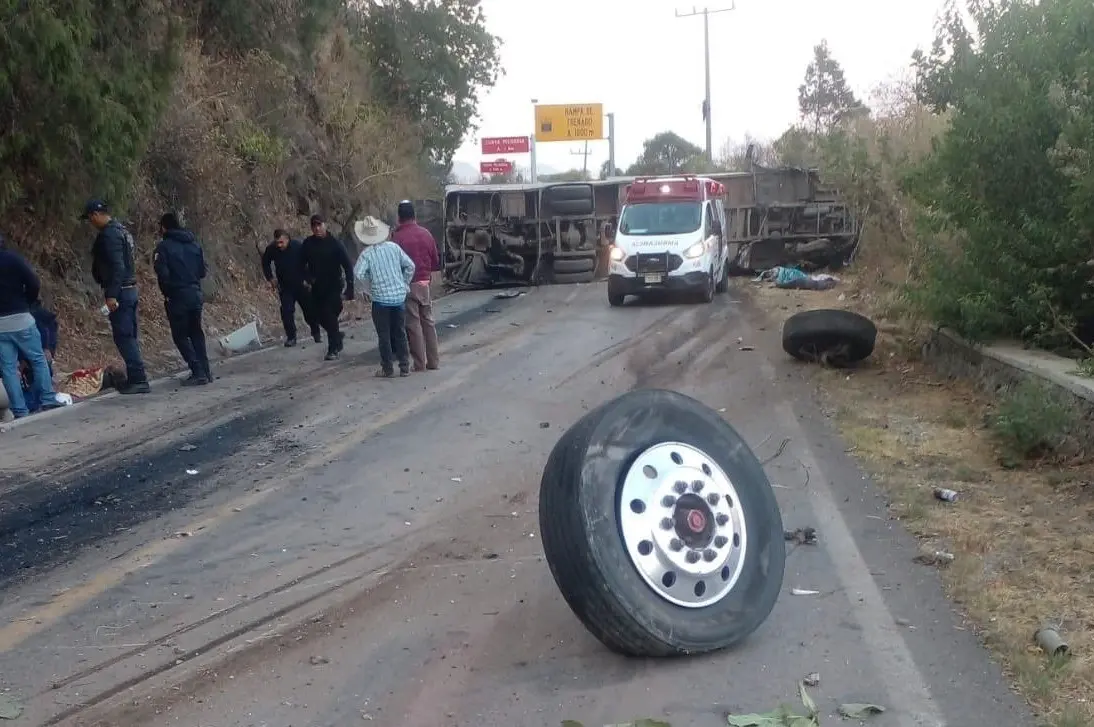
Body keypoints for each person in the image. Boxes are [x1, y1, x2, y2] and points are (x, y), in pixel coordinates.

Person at [85, 199, 150, 394]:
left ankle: (138, 379)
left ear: (95, 215)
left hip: (121, 291)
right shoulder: (122, 231)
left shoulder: (110, 235)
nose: (90, 223)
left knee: (124, 337)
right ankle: (137, 376)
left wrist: (112, 295)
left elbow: (117, 266)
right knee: (129, 335)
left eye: (90, 218)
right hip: (129, 289)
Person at [0, 236, 62, 418]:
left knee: (8, 368)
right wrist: (28, 301)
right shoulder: (13, 259)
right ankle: (48, 399)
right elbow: (33, 282)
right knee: (37, 358)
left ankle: (20, 410)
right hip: (20, 317)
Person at [352, 216, 414, 378]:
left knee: (384, 336)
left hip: (380, 301)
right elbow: (410, 266)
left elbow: (358, 273)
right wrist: (404, 283)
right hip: (398, 298)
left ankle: (387, 368)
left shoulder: (367, 254)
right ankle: (405, 366)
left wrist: (367, 289)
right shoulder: (394, 248)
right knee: (400, 332)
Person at [154, 213, 212, 386]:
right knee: (196, 333)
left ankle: (197, 371)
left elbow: (162, 274)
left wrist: (169, 291)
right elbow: (202, 271)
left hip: (177, 296)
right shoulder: (194, 244)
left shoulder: (163, 248)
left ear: (164, 227)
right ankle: (206, 370)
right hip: (195, 293)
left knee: (180, 336)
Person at [390, 200, 440, 372]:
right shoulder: (426, 234)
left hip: (408, 285)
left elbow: (394, 265)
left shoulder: (397, 238)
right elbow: (435, 262)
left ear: (399, 217)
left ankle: (419, 364)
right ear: (414, 215)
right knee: (428, 322)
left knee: (413, 324)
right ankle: (433, 362)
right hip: (425, 284)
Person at [301, 214, 354, 361]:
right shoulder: (308, 244)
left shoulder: (335, 243)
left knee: (329, 316)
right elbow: (300, 264)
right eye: (314, 226)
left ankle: (332, 349)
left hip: (334, 286)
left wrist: (350, 288)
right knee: (319, 318)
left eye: (319, 225)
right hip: (317, 288)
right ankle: (336, 336)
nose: (317, 228)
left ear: (325, 225)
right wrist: (307, 278)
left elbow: (348, 266)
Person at [262, 229, 320, 347]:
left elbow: (311, 262)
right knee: (287, 312)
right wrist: (270, 278)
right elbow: (265, 262)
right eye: (277, 242)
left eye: (281, 242)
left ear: (288, 239)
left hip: (301, 284)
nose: (279, 245)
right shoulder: (272, 249)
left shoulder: (298, 246)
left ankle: (316, 331)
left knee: (309, 311)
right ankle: (291, 337)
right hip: (285, 286)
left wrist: (309, 280)